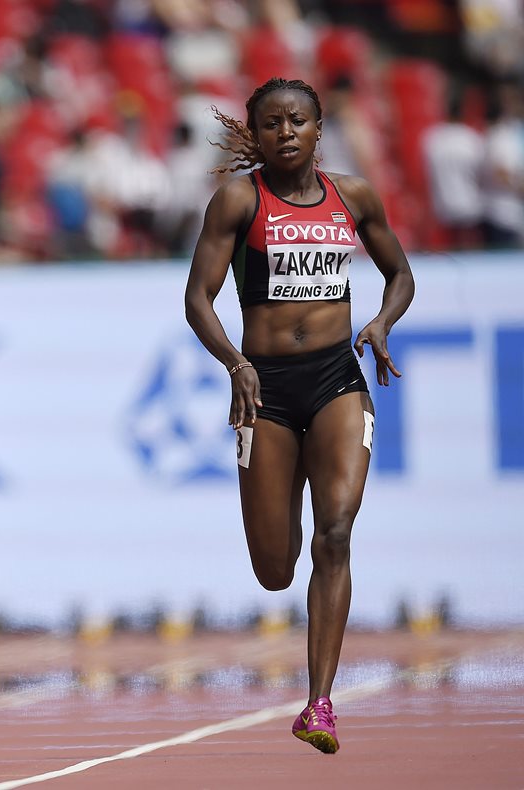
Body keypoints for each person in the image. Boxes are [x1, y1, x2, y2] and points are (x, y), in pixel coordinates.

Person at [183, 78, 414, 753]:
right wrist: (235, 362)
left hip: (337, 379)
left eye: (298, 121)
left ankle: (319, 703)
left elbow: (400, 274)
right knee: (276, 568)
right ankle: (284, 556)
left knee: (335, 533)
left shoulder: (354, 197)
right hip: (265, 390)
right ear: (255, 134)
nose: (285, 132)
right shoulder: (239, 200)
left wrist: (381, 322)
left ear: (319, 128)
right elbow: (197, 297)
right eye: (272, 123)